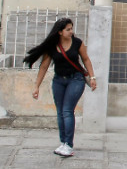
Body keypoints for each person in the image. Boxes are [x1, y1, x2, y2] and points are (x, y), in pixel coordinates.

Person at [23, 17, 96, 158]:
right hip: (58, 81)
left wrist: (92, 77)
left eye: (71, 29)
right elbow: (44, 66)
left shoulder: (77, 43)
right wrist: (36, 86)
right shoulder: (53, 46)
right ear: (60, 32)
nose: (71, 32)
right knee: (60, 112)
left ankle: (68, 145)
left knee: (67, 111)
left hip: (76, 79)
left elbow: (86, 59)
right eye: (68, 29)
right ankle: (63, 142)